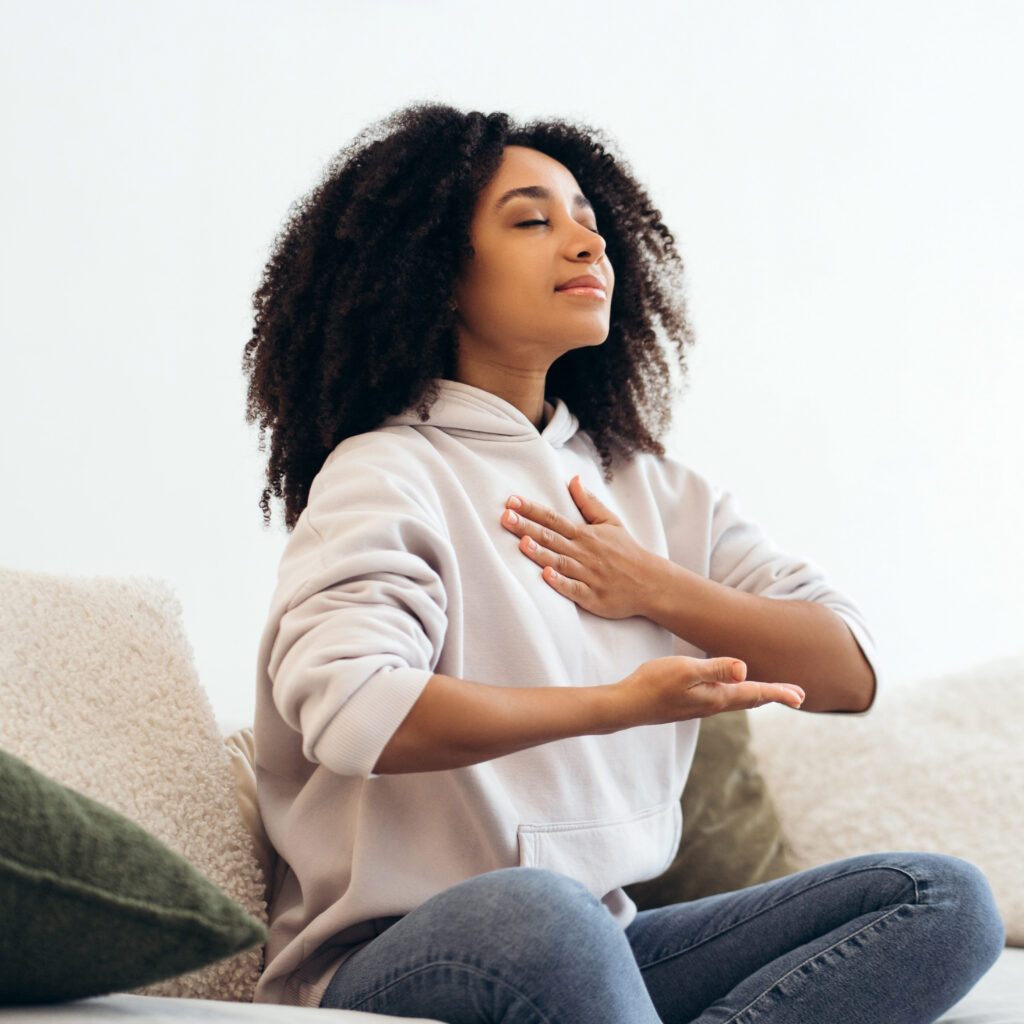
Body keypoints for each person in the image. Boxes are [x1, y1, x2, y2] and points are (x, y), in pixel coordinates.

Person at [244, 103, 1003, 1023]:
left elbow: (850, 671)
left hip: (598, 948)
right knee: (544, 913)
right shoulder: (386, 472)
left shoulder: (656, 491)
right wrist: (619, 706)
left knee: (942, 899)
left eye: (590, 225)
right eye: (533, 221)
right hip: (394, 958)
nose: (584, 245)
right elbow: (359, 713)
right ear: (436, 273)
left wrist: (655, 585)